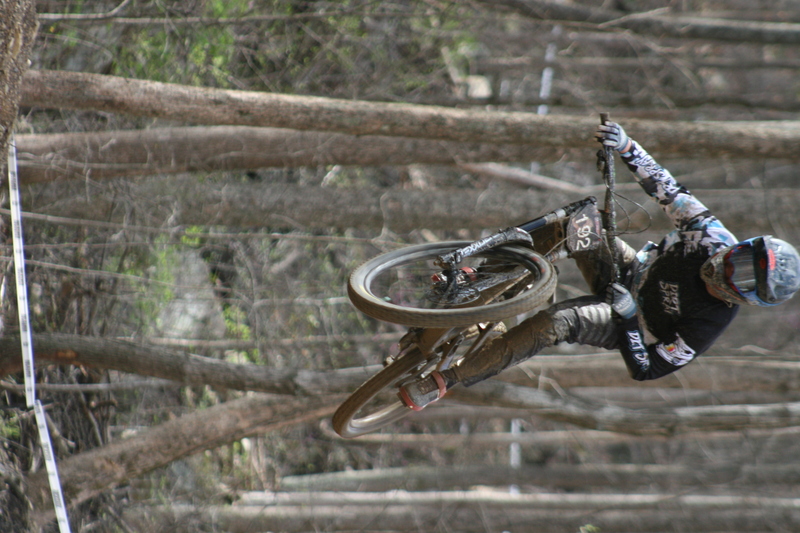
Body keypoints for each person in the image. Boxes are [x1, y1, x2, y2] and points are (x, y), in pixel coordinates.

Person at [398, 121, 800, 410]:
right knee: (577, 221)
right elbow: (667, 188)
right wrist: (626, 146)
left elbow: (647, 369)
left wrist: (627, 319)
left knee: (554, 323)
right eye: (741, 257)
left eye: (741, 276)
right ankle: (478, 278)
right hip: (628, 270)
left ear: (744, 298)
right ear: (742, 245)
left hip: (625, 321)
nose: (729, 266)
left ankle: (446, 380)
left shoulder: (708, 324)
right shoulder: (709, 235)